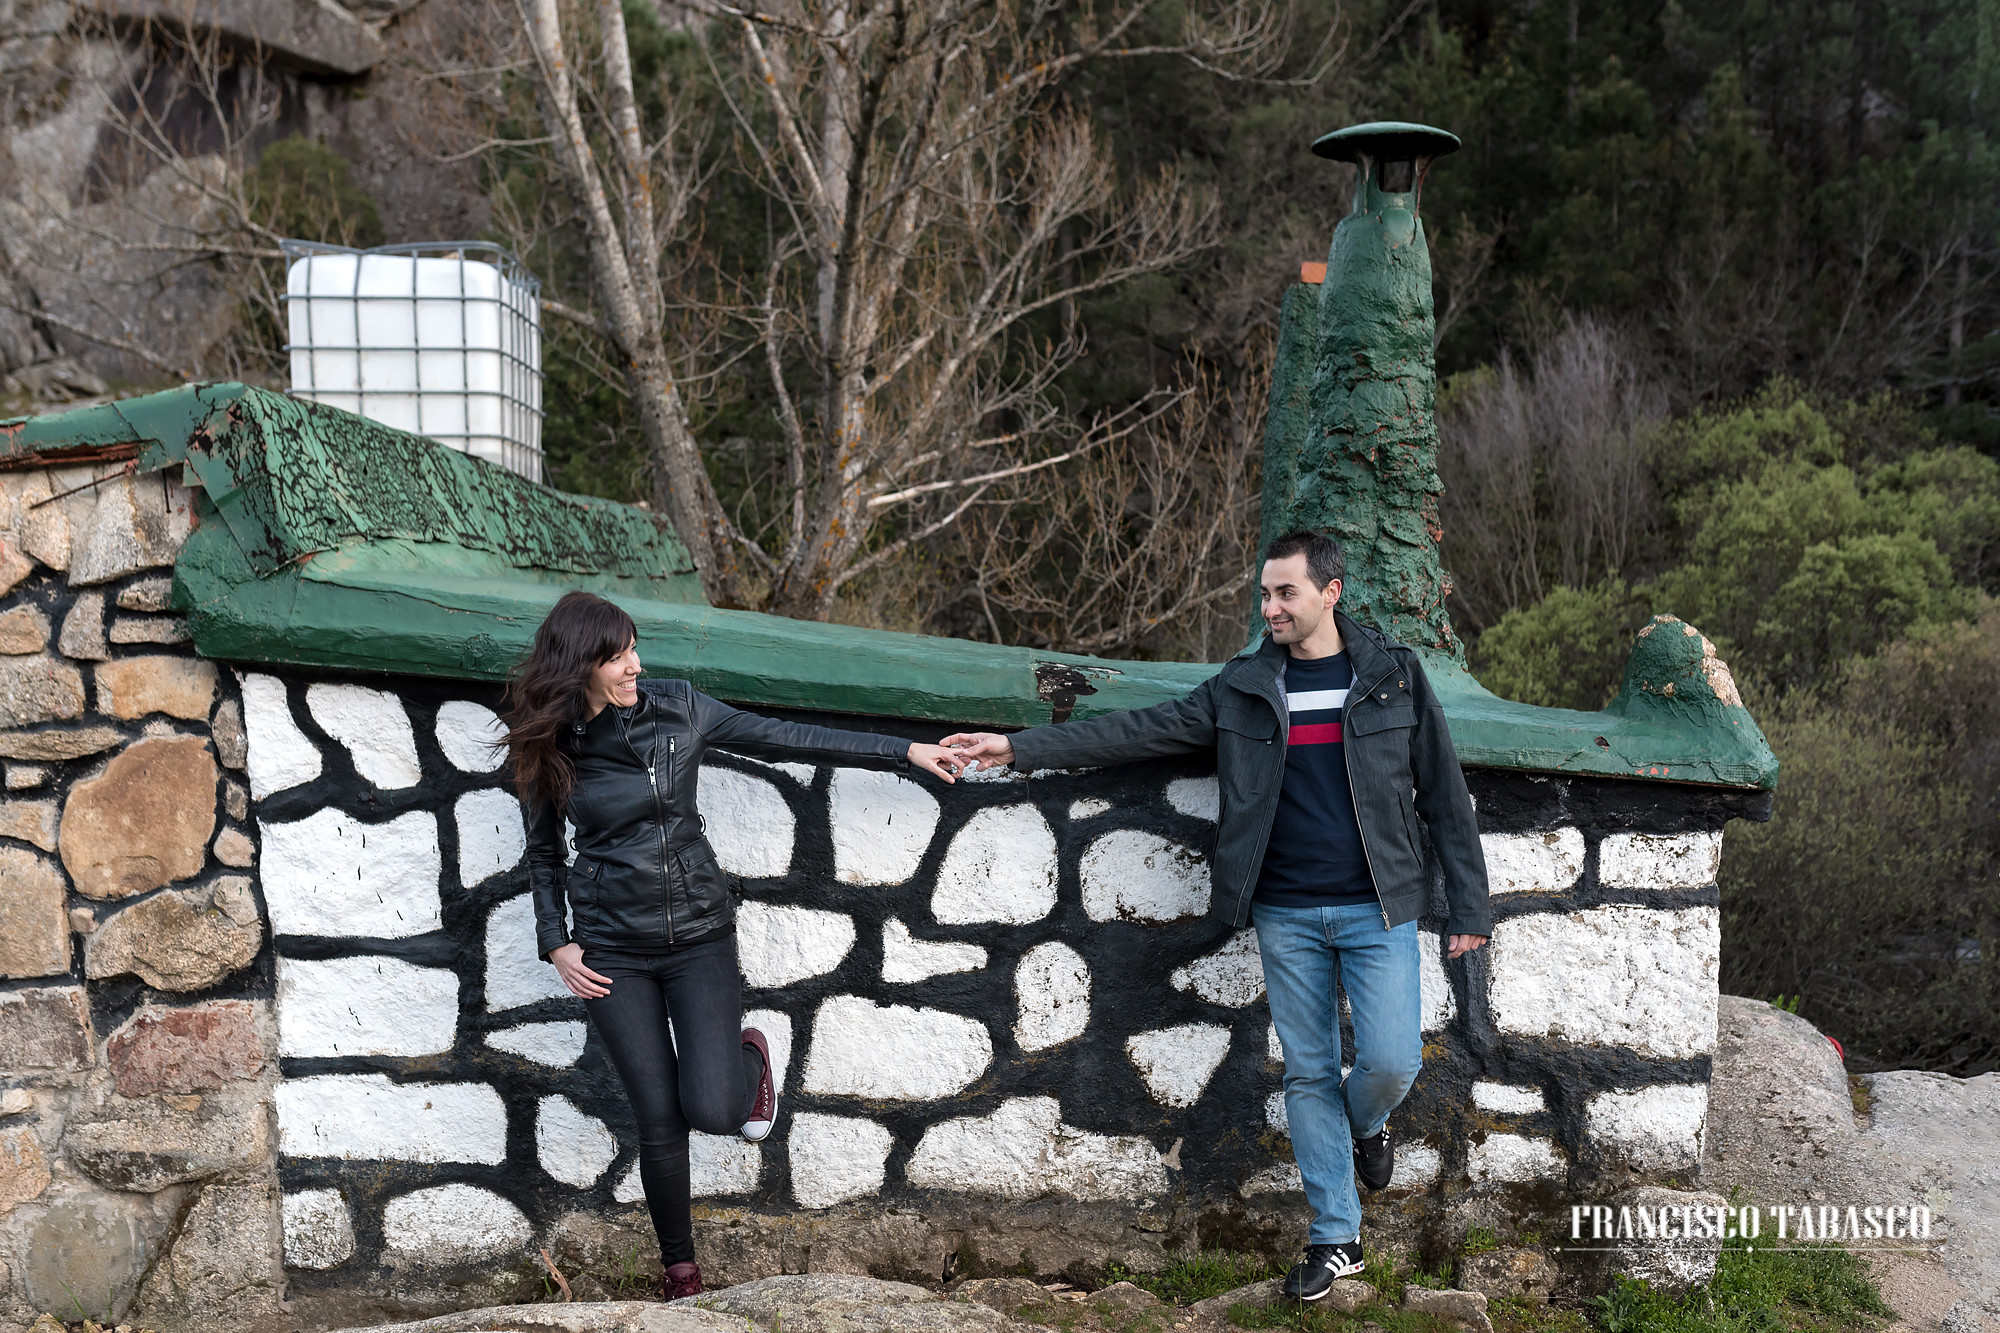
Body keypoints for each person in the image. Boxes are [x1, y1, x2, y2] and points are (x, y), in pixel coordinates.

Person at [944, 531, 1491, 1301]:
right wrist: (1018, 746)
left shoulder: (1392, 677)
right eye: (1265, 594)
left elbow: (1442, 793)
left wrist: (1469, 901)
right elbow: (1136, 730)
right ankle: (1337, 1235)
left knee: (1392, 1061)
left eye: (1285, 594)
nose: (1269, 608)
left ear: (1330, 592)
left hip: (1380, 906)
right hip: (1285, 913)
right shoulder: (1242, 687)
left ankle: (1367, 1124)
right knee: (1307, 1070)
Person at [508, 590, 965, 1299]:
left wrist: (904, 750)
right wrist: (555, 944)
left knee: (717, 1110)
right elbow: (543, 853)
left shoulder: (680, 707)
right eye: (618, 655)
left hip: (698, 937)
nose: (636, 664)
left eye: (634, 648)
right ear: (581, 665)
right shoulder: (550, 741)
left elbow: (790, 737)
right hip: (610, 950)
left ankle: (749, 1057)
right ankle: (681, 1274)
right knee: (659, 1119)